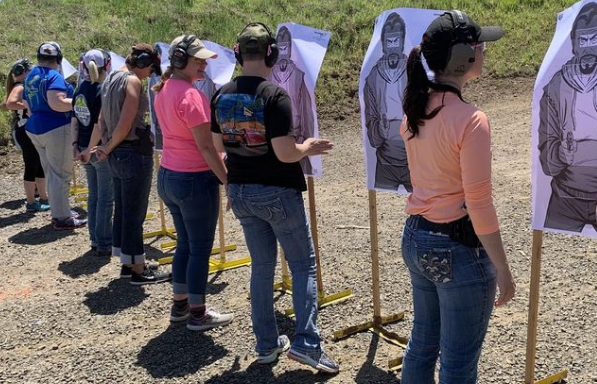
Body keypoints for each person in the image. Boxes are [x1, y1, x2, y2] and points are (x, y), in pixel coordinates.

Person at [211, 22, 339, 373]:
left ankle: (267, 345)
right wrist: (308, 147)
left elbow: (219, 144)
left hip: (240, 190)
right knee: (303, 265)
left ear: (238, 54)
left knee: (262, 268)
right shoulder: (275, 95)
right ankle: (307, 343)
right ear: (272, 53)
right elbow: (285, 153)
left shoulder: (221, 94)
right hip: (277, 191)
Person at [399, 11, 516, 384]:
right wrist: (503, 269)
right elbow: (479, 203)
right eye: (480, 46)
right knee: (458, 364)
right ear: (464, 56)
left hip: (417, 237)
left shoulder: (415, 111)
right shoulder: (471, 119)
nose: (484, 52)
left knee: (422, 344)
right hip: (456, 247)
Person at [152, 35, 233, 330]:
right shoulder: (191, 96)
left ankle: (181, 306)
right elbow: (207, 147)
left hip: (169, 175)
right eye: (198, 60)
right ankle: (198, 313)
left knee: (185, 244)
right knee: (199, 248)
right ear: (181, 60)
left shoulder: (163, 89)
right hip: (194, 179)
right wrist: (226, 180)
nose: (204, 65)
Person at [95, 44, 170, 285]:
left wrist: (105, 145)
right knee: (134, 212)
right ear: (144, 63)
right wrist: (107, 146)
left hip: (117, 152)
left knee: (124, 210)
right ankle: (138, 268)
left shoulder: (111, 78)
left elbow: (102, 119)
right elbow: (126, 123)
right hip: (131, 151)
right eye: (150, 68)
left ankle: (128, 262)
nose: (150, 73)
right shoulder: (133, 82)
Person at [538, 2, 597, 232]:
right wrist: (565, 151)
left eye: (595, 39)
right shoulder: (556, 86)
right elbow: (546, 161)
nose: (589, 48)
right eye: (583, 40)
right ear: (573, 44)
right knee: (546, 256)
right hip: (566, 196)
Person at [23, 42, 86, 229]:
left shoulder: (31, 75)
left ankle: (60, 211)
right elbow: (57, 103)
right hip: (56, 128)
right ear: (58, 59)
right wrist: (79, 101)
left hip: (35, 128)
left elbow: (27, 103)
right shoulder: (54, 76)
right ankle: (62, 217)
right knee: (60, 174)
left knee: (51, 173)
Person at [364, 12, 412, 192]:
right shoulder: (373, 77)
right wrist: (380, 129)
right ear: (383, 44)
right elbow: (370, 124)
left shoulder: (414, 71)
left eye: (396, 42)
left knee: (424, 205)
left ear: (402, 42)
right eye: (389, 42)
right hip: (384, 160)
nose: (393, 48)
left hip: (413, 158)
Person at [72, 49, 114, 256]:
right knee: (105, 198)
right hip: (96, 149)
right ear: (106, 66)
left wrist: (76, 146)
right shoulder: (103, 90)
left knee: (94, 195)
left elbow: (75, 120)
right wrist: (90, 149)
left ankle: (95, 239)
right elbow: (99, 125)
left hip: (82, 147)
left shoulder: (79, 89)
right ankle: (105, 242)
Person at [3, 58, 50, 213]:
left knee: (38, 164)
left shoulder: (23, 85)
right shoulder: (20, 86)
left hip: (30, 129)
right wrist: (29, 105)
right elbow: (10, 104)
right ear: (24, 72)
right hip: (24, 129)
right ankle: (31, 201)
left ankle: (43, 197)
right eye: (30, 70)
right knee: (31, 165)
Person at [269, 25, 315, 176]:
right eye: (280, 48)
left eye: (285, 48)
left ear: (290, 49)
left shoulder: (299, 75)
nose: (283, 53)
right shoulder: (267, 76)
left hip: (297, 135)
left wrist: (306, 138)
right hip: (274, 136)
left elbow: (306, 111)